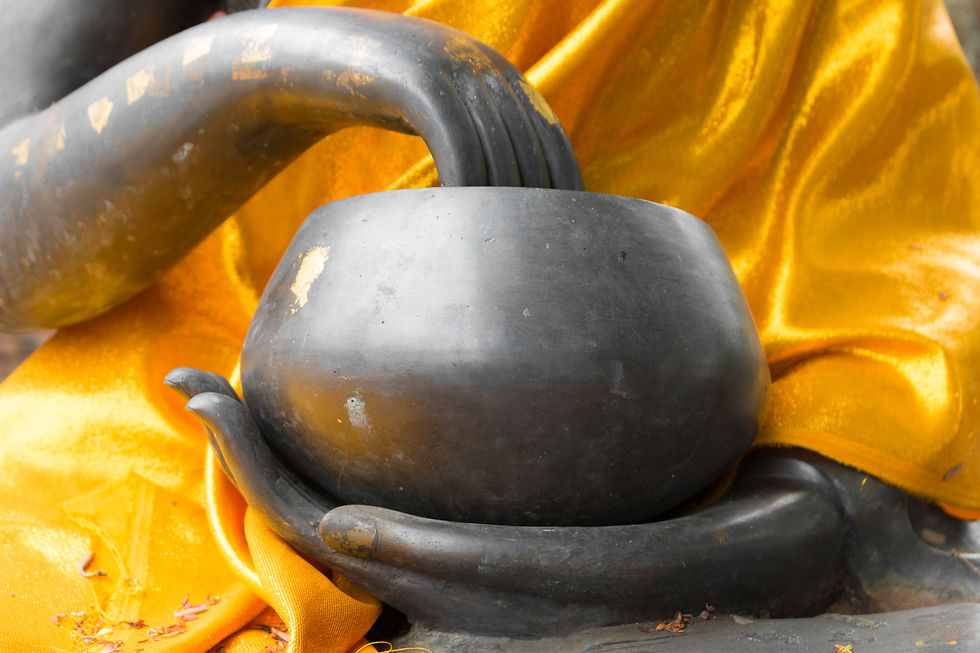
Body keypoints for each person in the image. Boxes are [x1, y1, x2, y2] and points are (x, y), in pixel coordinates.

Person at [1, 0, 979, 651]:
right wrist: (268, 70)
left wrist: (815, 502)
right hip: (193, 419)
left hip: (736, 449)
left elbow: (892, 225)